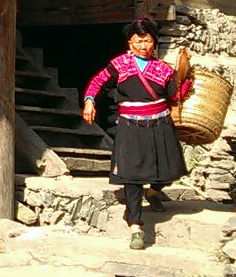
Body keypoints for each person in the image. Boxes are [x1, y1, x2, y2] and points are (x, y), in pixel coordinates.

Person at [80, 17, 191, 250]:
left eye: (148, 41)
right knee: (131, 177)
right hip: (131, 126)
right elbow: (98, 82)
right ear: (130, 42)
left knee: (169, 169)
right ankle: (136, 227)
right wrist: (90, 101)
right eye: (138, 41)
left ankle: (153, 191)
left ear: (154, 43)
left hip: (161, 125)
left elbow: (174, 97)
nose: (143, 46)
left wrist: (185, 79)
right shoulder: (120, 65)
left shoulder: (163, 69)